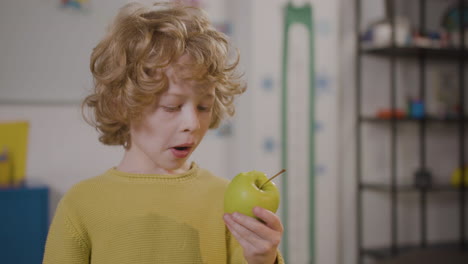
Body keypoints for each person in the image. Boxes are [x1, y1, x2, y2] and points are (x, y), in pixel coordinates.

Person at [42, 1, 284, 263]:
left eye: (204, 106)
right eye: (172, 106)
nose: (192, 122)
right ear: (122, 104)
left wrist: (264, 258)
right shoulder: (81, 204)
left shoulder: (226, 201)